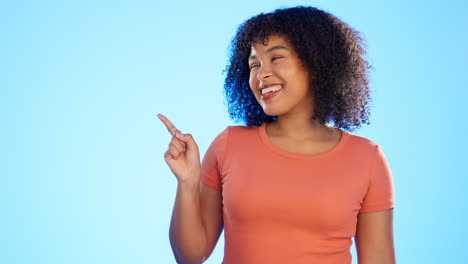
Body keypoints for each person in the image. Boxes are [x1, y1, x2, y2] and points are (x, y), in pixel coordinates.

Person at [158, 6, 395, 264]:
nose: (261, 74)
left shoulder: (366, 158)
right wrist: (188, 183)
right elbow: (190, 255)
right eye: (254, 64)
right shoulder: (229, 145)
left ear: (316, 63)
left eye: (276, 58)